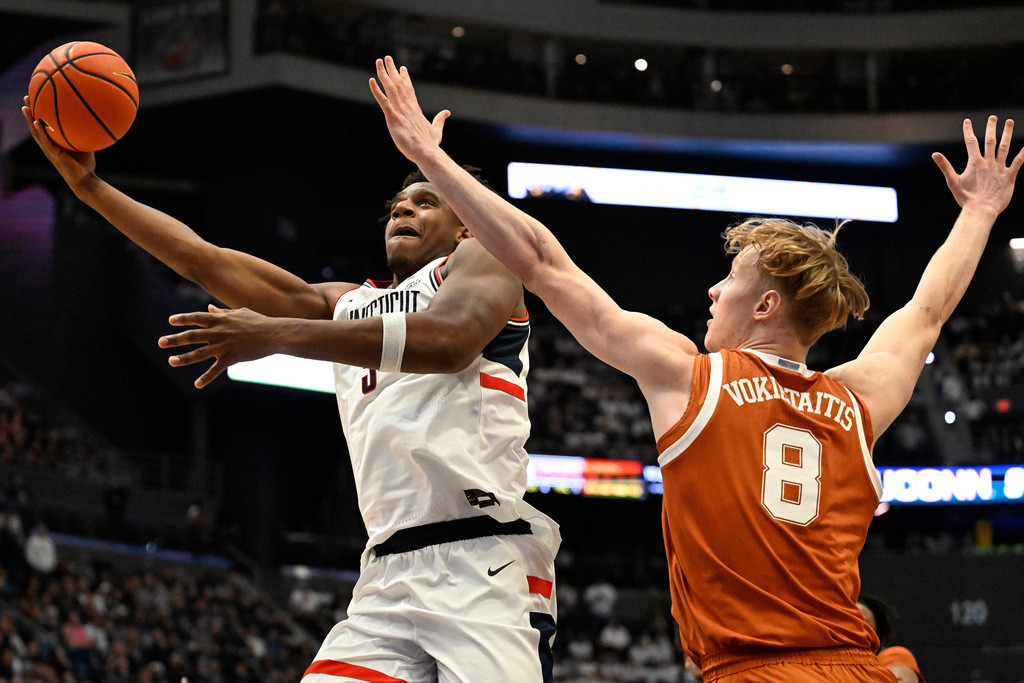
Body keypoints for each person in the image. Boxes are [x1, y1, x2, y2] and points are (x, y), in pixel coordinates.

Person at [369, 55, 1024, 681]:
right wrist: (980, 211)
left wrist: (431, 158)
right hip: (853, 661)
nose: (712, 292)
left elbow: (541, 262)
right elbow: (929, 309)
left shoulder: (688, 376)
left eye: (729, 280)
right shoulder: (858, 399)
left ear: (766, 304)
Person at [22, 99, 559, 683]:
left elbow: (449, 341)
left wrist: (274, 334)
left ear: (466, 223)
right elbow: (204, 259)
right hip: (386, 574)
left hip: (485, 560)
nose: (403, 207)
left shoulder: (487, 257)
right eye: (396, 205)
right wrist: (92, 189)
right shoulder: (346, 303)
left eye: (426, 201)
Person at [858, 595, 926, 683]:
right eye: (846, 618)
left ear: (876, 633)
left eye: (863, 621)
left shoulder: (894, 656)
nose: (853, 626)